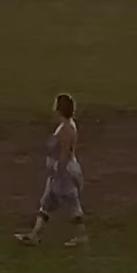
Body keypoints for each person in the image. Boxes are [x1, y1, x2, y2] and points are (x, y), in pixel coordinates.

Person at [18, 93, 87, 247]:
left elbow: (65, 154)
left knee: (72, 204)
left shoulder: (66, 129)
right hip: (62, 170)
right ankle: (34, 235)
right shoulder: (67, 125)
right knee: (47, 203)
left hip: (64, 172)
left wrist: (58, 173)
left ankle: (81, 236)